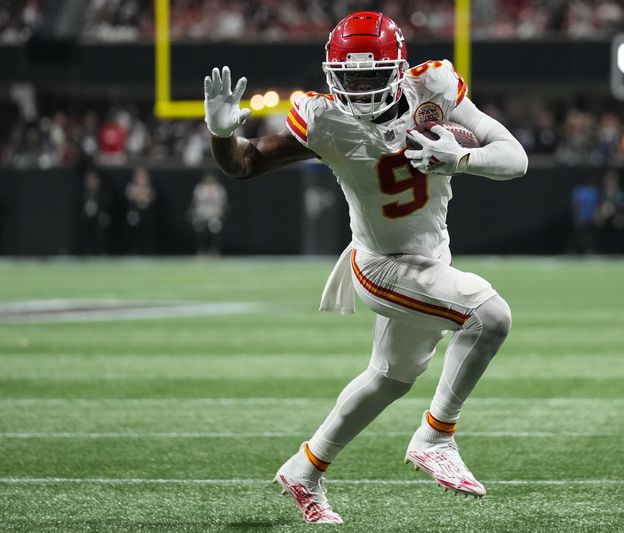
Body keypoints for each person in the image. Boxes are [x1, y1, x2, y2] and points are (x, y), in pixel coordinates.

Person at [204, 11, 527, 525]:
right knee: (491, 316)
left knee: (389, 377)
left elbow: (515, 157)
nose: (356, 87)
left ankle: (304, 470)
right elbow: (244, 163)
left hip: (430, 259)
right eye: (347, 76)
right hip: (379, 265)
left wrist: (462, 159)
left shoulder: (434, 89)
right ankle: (437, 435)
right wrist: (221, 135)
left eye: (368, 75)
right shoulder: (324, 117)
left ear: (398, 69)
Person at [188, 173, 228, 255]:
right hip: (202, 212)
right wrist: (197, 214)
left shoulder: (219, 188)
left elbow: (222, 203)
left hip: (214, 212)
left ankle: (214, 250)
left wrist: (219, 213)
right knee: (199, 227)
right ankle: (201, 250)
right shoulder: (199, 188)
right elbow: (196, 203)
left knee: (215, 227)